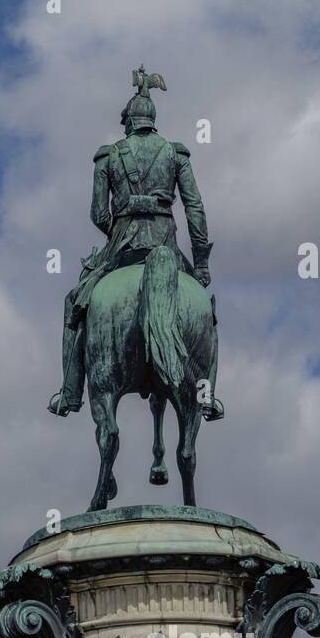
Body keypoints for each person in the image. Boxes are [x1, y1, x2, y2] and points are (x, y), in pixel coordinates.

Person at [49, 67, 218, 421]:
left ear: (128, 122)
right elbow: (195, 210)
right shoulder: (176, 155)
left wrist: (118, 229)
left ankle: (69, 392)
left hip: (122, 247)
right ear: (153, 122)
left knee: (74, 307)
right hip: (167, 245)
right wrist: (200, 264)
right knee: (208, 314)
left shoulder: (108, 156)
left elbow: (98, 213)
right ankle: (207, 396)